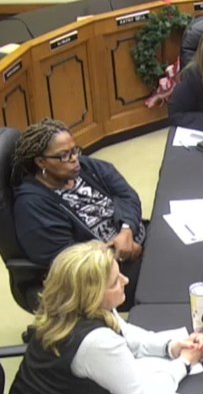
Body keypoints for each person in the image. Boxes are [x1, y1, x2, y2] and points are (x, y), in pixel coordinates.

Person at [3, 241, 203, 394]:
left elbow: (129, 336)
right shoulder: (94, 342)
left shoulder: (77, 309)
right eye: (114, 282)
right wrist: (184, 363)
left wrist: (171, 346)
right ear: (92, 294)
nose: (125, 281)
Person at [12, 118, 145, 306]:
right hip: (103, 275)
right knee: (170, 275)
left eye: (74, 150)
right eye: (64, 155)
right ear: (41, 162)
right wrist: (121, 252)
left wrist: (127, 230)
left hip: (132, 237)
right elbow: (69, 259)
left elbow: (126, 195)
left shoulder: (85, 167)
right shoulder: (33, 205)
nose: (74, 159)